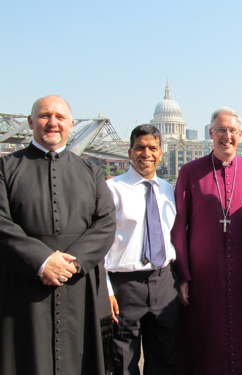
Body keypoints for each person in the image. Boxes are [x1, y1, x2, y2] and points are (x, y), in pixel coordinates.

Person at [0, 95, 116, 375]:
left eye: (60, 117)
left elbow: (106, 223)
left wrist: (71, 264)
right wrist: (41, 261)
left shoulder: (92, 171)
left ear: (72, 125)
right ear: (30, 122)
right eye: (44, 116)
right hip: (24, 285)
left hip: (79, 284)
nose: (52, 122)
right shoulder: (5, 167)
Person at [171, 106, 242, 375]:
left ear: (240, 134)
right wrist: (183, 275)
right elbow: (178, 226)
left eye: (232, 131)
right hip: (203, 277)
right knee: (206, 339)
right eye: (220, 130)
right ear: (210, 133)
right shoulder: (191, 171)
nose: (226, 136)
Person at [105, 125, 179, 375]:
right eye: (140, 147)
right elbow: (100, 243)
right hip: (125, 286)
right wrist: (106, 290)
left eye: (152, 148)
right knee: (123, 358)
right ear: (129, 152)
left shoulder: (168, 190)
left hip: (164, 281)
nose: (146, 153)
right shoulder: (111, 190)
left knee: (165, 355)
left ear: (160, 153)